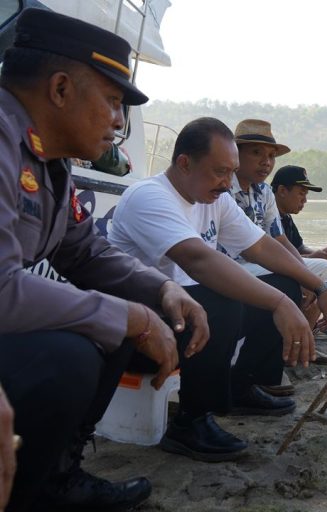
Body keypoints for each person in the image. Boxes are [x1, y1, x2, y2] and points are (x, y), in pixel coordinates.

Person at [0, 9, 209, 511]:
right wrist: (130, 317)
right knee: (71, 352)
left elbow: (85, 249)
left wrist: (160, 291)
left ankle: (54, 475)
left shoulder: (49, 164)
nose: (120, 121)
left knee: (122, 317)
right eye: (114, 101)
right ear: (60, 89)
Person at [109, 118, 327, 452]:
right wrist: (279, 305)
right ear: (185, 163)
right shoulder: (149, 197)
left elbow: (262, 247)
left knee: (285, 284)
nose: (227, 182)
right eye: (220, 172)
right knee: (222, 303)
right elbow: (199, 261)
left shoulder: (214, 197)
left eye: (231, 172)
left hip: (185, 317)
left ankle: (241, 386)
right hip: (138, 333)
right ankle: (190, 423)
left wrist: (319, 287)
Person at [231, 121, 327, 368]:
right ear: (235, 153)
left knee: (325, 271)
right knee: (291, 282)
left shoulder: (263, 192)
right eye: (257, 153)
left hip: (262, 259)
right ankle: (275, 357)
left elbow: (280, 239)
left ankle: (303, 342)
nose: (266, 162)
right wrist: (303, 278)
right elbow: (258, 248)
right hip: (235, 263)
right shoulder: (223, 189)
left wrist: (307, 275)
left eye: (271, 156)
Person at [271, 164, 327, 301]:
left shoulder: (286, 217)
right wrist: (313, 257)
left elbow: (299, 247)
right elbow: (272, 255)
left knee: (323, 268)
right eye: (301, 193)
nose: (305, 200)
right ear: (282, 190)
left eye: (306, 195)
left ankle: (310, 321)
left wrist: (321, 253)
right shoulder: (267, 217)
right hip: (268, 268)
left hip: (286, 265)